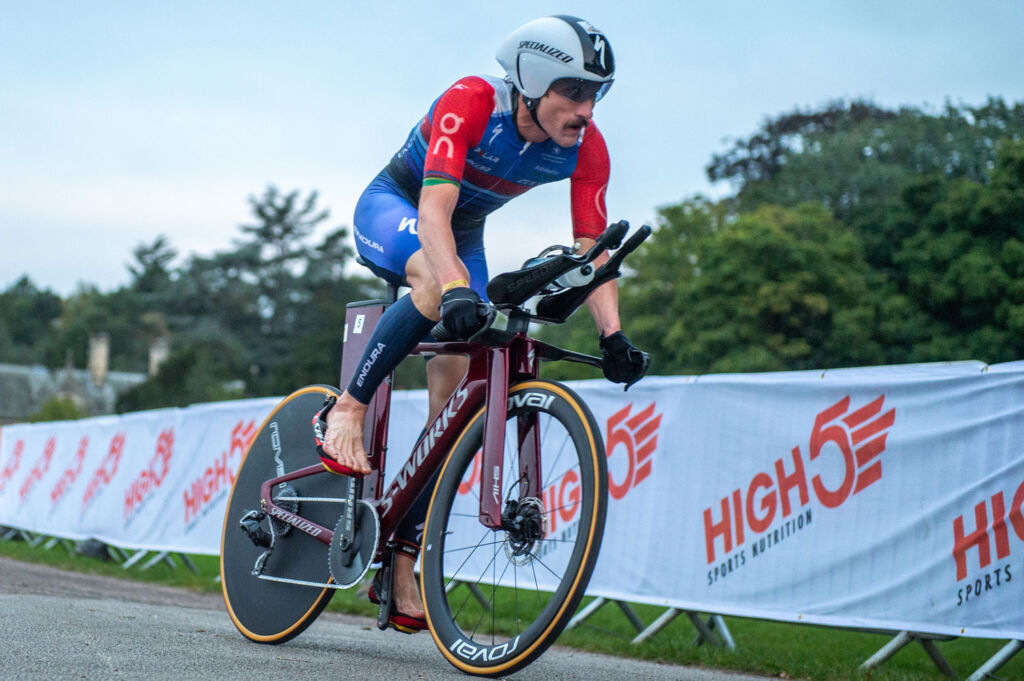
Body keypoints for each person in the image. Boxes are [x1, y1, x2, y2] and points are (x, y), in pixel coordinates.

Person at [320, 15, 647, 632]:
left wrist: (613, 335)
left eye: (596, 93)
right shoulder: (471, 101)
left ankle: (402, 556)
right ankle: (349, 408)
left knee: (453, 406)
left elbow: (593, 251)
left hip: (465, 233)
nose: (586, 109)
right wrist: (452, 289)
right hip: (400, 206)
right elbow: (433, 211)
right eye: (574, 92)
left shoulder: (587, 145)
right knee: (432, 285)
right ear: (533, 82)